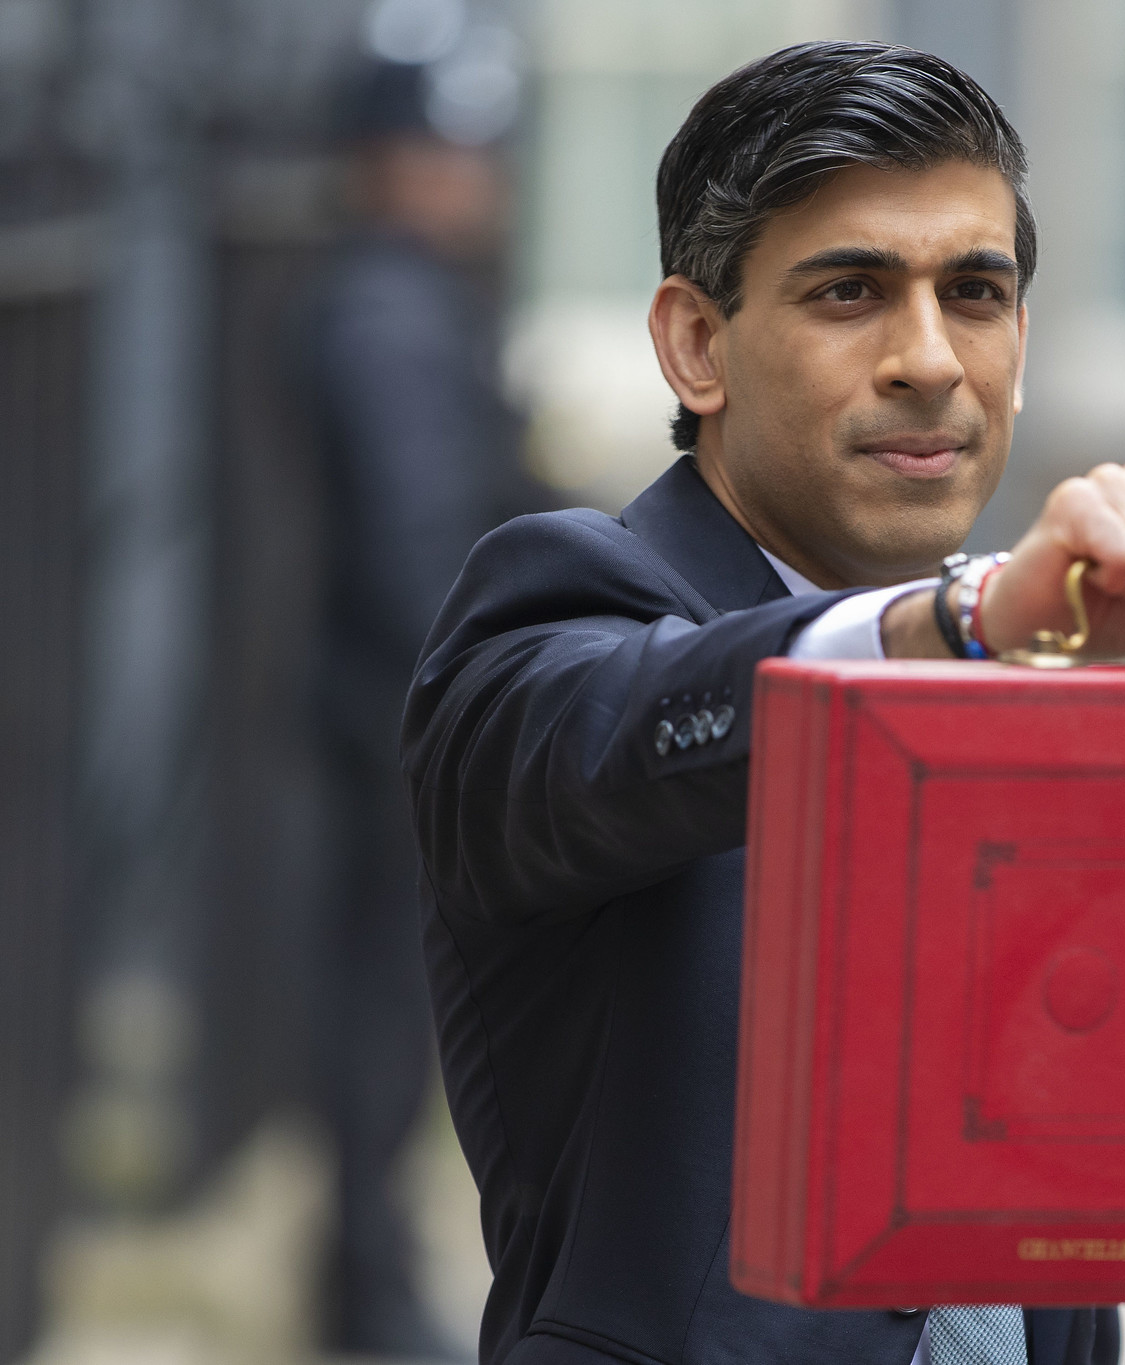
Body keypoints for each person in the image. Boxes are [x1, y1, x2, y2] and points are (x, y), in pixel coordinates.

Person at [403, 42, 1125, 1365]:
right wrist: (959, 626)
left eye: (975, 292)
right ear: (697, 343)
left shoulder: (1021, 672)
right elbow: (617, 733)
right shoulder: (561, 604)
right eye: (850, 291)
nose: (928, 359)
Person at [298, 58, 533, 1360]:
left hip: (400, 710)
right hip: (406, 719)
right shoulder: (388, 317)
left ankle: (366, 1285)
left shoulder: (406, 303)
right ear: (386, 164)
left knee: (391, 1012)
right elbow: (421, 549)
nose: (474, 179)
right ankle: (367, 1296)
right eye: (447, 153)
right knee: (386, 1019)